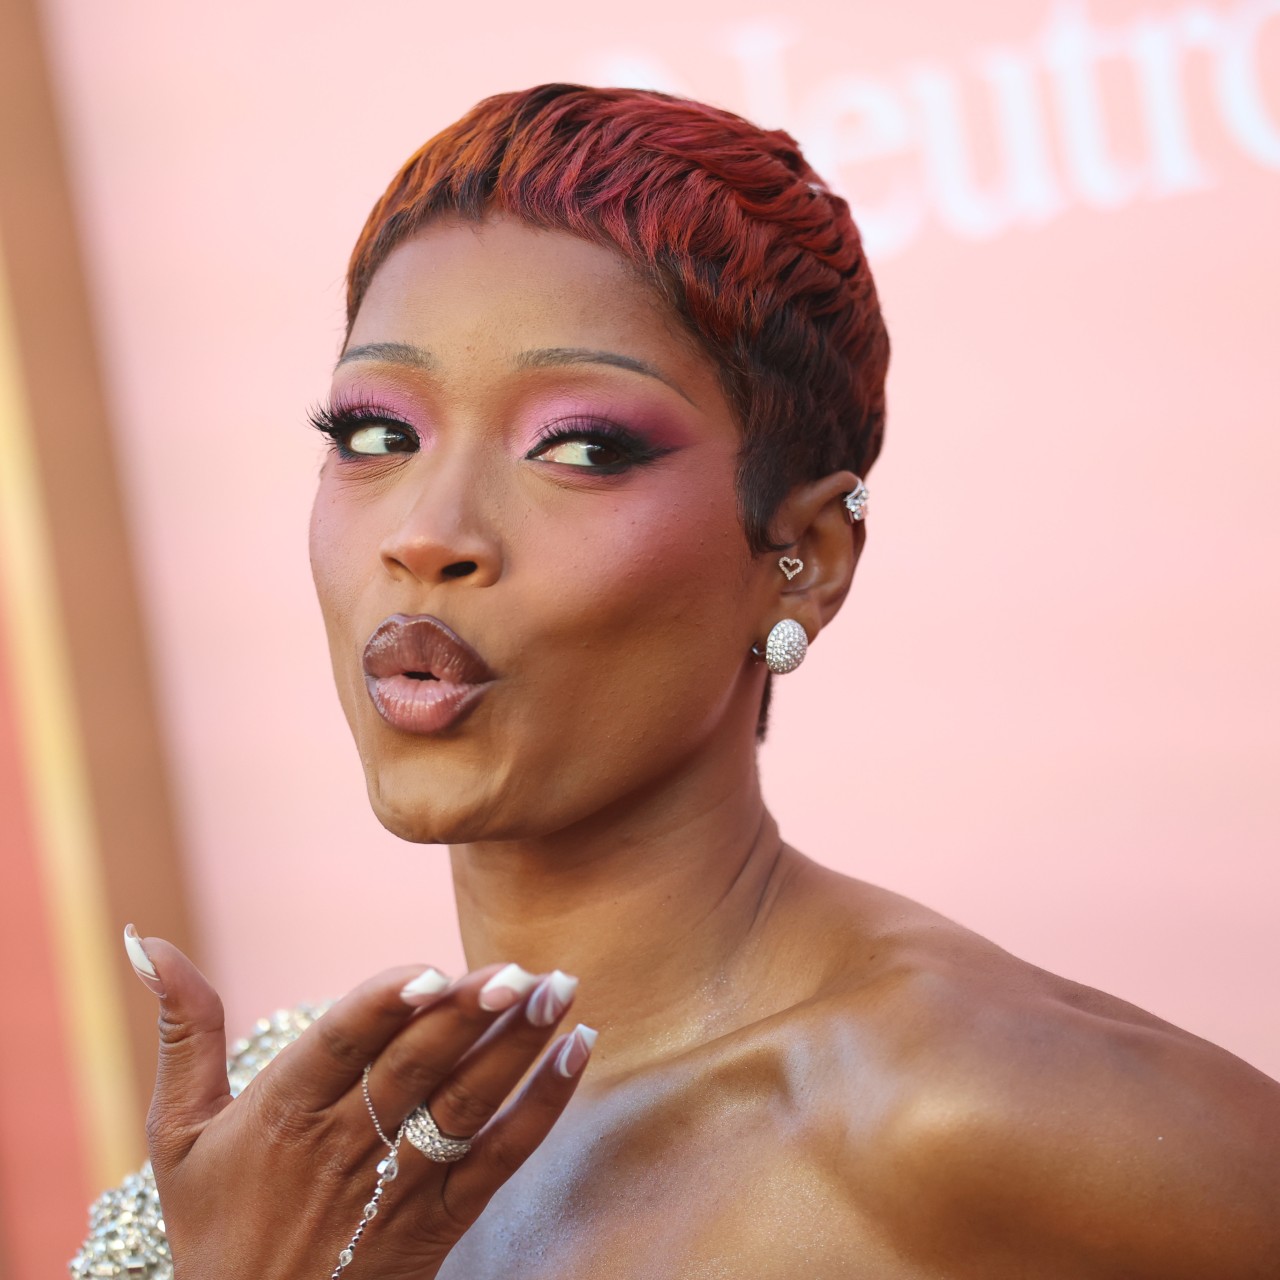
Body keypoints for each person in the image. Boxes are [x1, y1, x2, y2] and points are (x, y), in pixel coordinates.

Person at [73, 83, 1279, 1280]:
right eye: (376, 434)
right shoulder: (299, 1143)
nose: (430, 532)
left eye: (582, 449)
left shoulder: (967, 1109)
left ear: (805, 559)